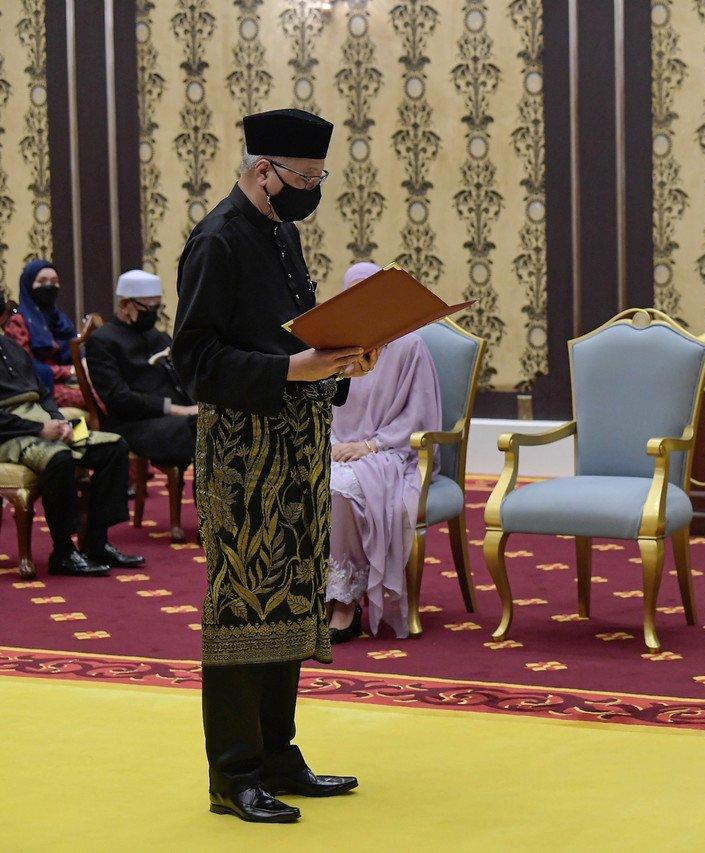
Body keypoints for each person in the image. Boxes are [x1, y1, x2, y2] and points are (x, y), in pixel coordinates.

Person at [173, 108, 375, 824]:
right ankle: (233, 773)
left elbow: (299, 335)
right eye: (305, 179)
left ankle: (277, 755)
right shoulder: (217, 241)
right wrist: (297, 368)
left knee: (290, 599)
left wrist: (345, 355)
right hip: (242, 456)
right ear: (264, 172)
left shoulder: (282, 234)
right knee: (241, 608)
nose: (310, 192)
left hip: (296, 447)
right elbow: (194, 364)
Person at [327, 262, 443, 644]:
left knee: (340, 488)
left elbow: (421, 417)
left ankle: (345, 602)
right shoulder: (334, 346)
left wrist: (369, 446)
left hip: (393, 452)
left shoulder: (409, 344)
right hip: (336, 446)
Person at [0, 331, 143, 577]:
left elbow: (43, 393)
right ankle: (64, 552)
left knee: (114, 446)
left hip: (44, 422)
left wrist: (59, 421)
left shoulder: (10, 346)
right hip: (10, 434)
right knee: (59, 459)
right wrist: (40, 429)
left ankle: (96, 543)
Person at [83, 270, 197, 469]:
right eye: (149, 308)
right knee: (201, 427)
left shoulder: (156, 335)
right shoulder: (103, 341)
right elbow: (118, 398)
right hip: (136, 424)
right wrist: (178, 410)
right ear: (125, 305)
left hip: (176, 418)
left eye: (157, 307)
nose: (153, 314)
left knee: (218, 419)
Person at [16, 259, 86, 408]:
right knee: (95, 398)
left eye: (54, 281)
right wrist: (69, 371)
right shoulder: (18, 322)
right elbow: (26, 367)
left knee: (107, 391)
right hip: (42, 386)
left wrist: (82, 365)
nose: (49, 286)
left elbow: (76, 353)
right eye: (41, 282)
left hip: (72, 381)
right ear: (29, 286)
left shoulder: (60, 319)